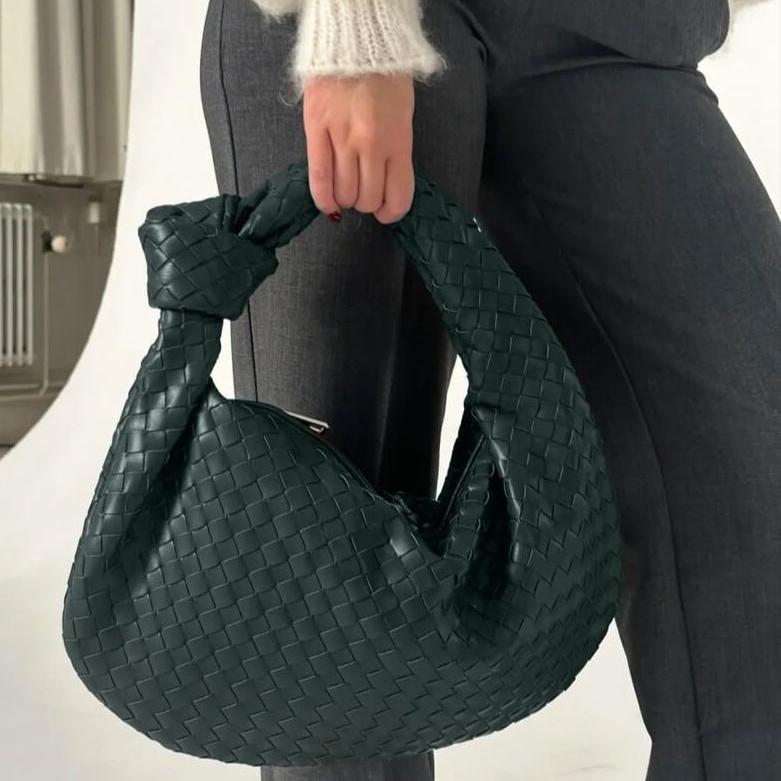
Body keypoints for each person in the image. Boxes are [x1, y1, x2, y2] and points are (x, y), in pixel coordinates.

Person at [199, 1, 781, 779]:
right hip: (383, 25)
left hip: (614, 28)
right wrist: (354, 33)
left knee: (746, 490)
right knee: (341, 572)